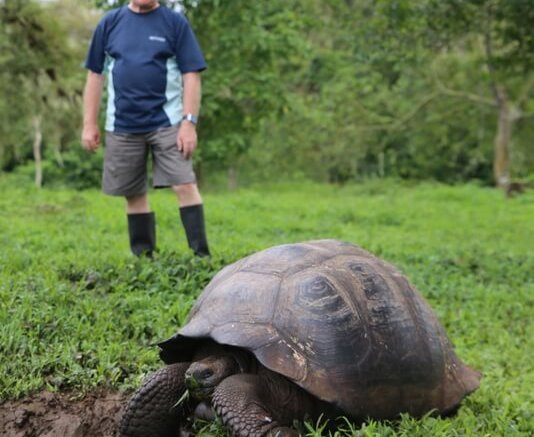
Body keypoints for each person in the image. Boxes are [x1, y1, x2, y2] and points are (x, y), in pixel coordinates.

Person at [81, 0, 210, 257]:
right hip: (122, 125)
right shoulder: (110, 23)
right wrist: (89, 124)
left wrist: (189, 122)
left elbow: (191, 75)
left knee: (184, 184)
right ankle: (144, 259)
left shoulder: (175, 23)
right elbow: (95, 75)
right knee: (133, 192)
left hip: (168, 121)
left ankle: (201, 258)